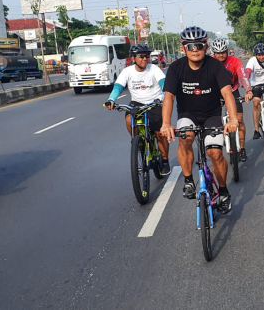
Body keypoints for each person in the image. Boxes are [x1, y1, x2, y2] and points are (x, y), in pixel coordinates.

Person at [161, 26, 239, 214]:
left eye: (199, 45)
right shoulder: (175, 68)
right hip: (187, 114)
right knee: (185, 137)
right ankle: (188, 180)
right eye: (190, 46)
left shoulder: (215, 66)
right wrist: (165, 123)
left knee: (215, 154)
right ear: (183, 48)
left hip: (211, 115)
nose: (194, 49)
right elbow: (169, 97)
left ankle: (223, 190)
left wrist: (233, 119)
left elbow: (227, 94)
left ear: (205, 46)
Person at [105, 44, 171, 175]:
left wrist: (168, 93)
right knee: (129, 119)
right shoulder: (127, 71)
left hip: (155, 102)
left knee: (160, 133)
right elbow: (118, 87)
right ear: (134, 58)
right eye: (141, 56)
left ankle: (164, 160)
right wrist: (112, 100)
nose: (145, 59)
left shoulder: (154, 69)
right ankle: (138, 142)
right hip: (136, 103)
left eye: (147, 56)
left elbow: (163, 83)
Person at [212, 38, 249, 162]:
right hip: (216, 94)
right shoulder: (210, 63)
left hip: (233, 91)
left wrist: (248, 90)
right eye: (218, 53)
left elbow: (242, 76)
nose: (221, 55)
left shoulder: (235, 61)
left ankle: (242, 148)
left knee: (239, 120)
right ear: (213, 53)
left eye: (223, 52)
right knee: (213, 122)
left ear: (227, 51)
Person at [243, 43, 264, 140]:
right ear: (256, 55)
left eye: (263, 54)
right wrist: (246, 82)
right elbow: (248, 71)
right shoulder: (252, 61)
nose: (261, 57)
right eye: (259, 55)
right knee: (256, 102)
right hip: (256, 84)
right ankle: (256, 130)